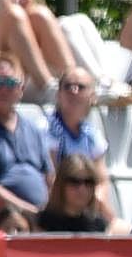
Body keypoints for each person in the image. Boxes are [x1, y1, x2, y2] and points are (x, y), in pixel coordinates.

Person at [0, 54, 53, 230]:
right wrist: (31, 213)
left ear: (21, 89)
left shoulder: (32, 128)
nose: (4, 89)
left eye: (11, 84)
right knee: (15, 223)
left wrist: (52, 214)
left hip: (37, 217)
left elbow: (50, 178)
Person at [47, 67, 116, 222]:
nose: (74, 91)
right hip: (56, 210)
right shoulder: (46, 128)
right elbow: (51, 179)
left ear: (93, 97)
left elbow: (101, 181)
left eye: (81, 87)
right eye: (68, 86)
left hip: (86, 208)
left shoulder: (92, 135)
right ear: (59, 94)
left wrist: (104, 212)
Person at [35, 153, 110, 233]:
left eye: (88, 182)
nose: (82, 189)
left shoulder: (99, 226)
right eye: (74, 181)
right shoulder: (42, 222)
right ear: (61, 185)